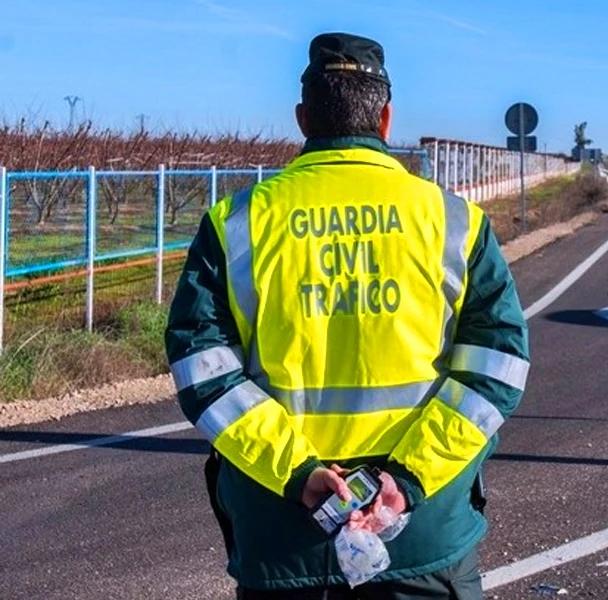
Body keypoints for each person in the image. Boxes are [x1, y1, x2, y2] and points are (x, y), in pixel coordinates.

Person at [164, 32, 530, 599]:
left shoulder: (236, 225)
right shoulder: (454, 223)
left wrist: (298, 476)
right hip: (419, 536)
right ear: (385, 118)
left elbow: (203, 372)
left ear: (303, 117)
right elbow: (497, 368)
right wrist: (405, 481)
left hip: (284, 537)